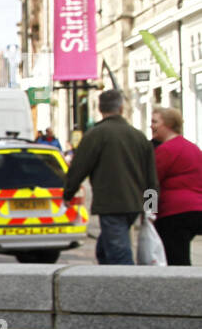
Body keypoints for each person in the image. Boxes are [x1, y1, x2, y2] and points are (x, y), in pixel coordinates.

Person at [62, 89, 158, 266]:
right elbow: (151, 177)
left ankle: (125, 288)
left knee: (119, 254)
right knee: (105, 249)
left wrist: (68, 194)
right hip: (135, 203)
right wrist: (150, 208)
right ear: (121, 108)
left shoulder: (95, 135)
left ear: (100, 109)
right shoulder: (139, 136)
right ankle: (106, 283)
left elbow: (79, 168)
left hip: (111, 203)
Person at [149, 106, 202, 265]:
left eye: (155, 121)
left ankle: (184, 289)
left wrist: (149, 211)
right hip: (197, 210)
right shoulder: (193, 148)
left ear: (168, 124)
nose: (151, 126)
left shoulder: (165, 150)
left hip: (173, 213)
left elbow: (152, 182)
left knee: (176, 261)